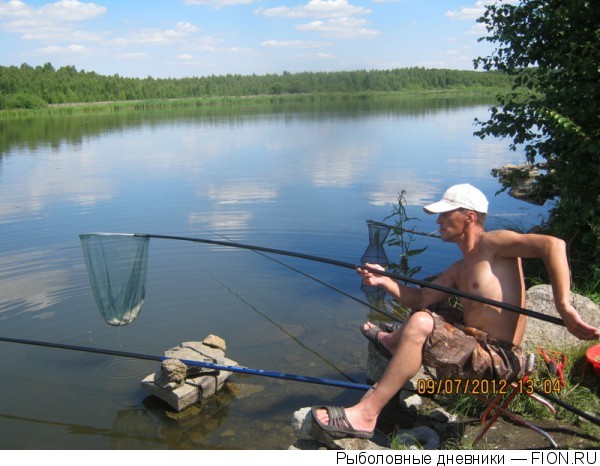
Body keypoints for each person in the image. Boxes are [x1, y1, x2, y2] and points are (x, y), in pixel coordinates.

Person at [311, 183, 599, 439]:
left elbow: (553, 244)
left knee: (423, 322)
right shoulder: (458, 269)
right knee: (423, 312)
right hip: (474, 341)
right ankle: (390, 340)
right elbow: (420, 298)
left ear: (469, 217)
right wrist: (385, 280)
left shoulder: (493, 243)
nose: (438, 221)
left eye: (445, 215)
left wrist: (564, 307)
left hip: (499, 358)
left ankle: (367, 413)